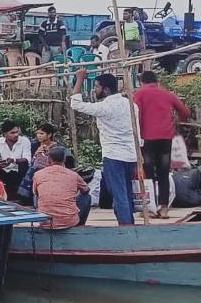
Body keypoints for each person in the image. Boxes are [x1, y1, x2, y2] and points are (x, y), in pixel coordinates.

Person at [71, 69, 138, 225]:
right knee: (126, 191)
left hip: (114, 156)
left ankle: (126, 225)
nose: (95, 90)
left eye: (96, 87)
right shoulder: (131, 105)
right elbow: (137, 130)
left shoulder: (105, 107)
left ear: (106, 89)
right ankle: (128, 222)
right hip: (131, 154)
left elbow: (75, 103)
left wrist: (80, 79)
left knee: (119, 193)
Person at [133, 70, 191, 218]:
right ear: (156, 81)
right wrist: (176, 119)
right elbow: (185, 112)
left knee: (148, 174)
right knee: (163, 173)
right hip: (166, 138)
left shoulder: (139, 94)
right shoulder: (167, 94)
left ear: (142, 82)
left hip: (147, 139)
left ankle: (151, 208)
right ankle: (164, 208)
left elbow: (134, 114)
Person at [32, 147, 91, 229]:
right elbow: (86, 190)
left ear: (48, 160)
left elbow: (36, 193)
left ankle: (44, 214)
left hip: (45, 222)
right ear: (64, 160)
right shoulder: (73, 175)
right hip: (69, 221)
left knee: (37, 195)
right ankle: (80, 225)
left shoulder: (38, 174)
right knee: (87, 197)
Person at [0, 120, 31, 201]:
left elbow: (27, 159)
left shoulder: (24, 141)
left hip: (19, 172)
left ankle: (22, 195)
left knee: (23, 163)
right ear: (5, 134)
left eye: (17, 132)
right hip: (4, 171)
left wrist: (13, 160)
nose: (16, 135)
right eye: (12, 133)